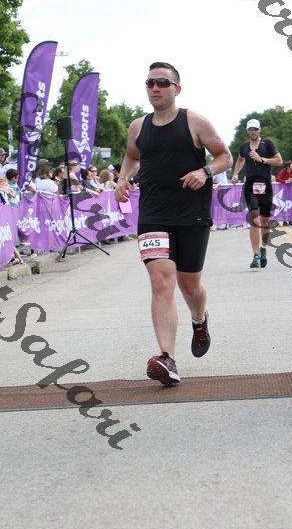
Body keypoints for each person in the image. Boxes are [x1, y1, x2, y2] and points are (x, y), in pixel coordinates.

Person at [115, 61, 232, 387]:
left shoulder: (194, 122)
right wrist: (122, 178)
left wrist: (204, 172)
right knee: (161, 282)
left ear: (177, 89)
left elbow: (224, 156)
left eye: (162, 83)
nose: (155, 88)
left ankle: (199, 319)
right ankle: (167, 358)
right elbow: (132, 156)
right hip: (153, 215)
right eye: (150, 82)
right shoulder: (138, 127)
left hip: (191, 214)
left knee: (190, 285)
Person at [231, 119, 282, 268]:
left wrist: (262, 159)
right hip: (250, 185)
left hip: (265, 185)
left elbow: (279, 161)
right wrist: (235, 173)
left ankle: (263, 249)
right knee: (254, 218)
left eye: (255, 129)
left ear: (259, 130)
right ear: (247, 131)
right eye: (250, 129)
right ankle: (255, 255)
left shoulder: (268, 144)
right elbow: (240, 160)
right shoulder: (244, 146)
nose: (253, 132)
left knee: (265, 221)